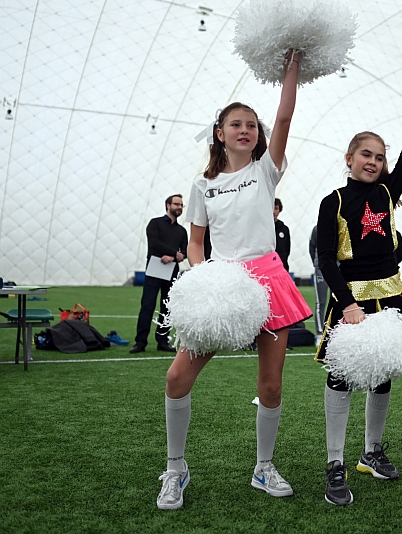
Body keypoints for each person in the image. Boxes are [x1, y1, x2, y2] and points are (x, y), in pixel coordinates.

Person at [155, 50, 311, 510]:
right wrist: (203, 282)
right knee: (177, 376)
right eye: (236, 124)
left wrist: (292, 65)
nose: (246, 130)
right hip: (221, 286)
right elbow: (197, 241)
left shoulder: (266, 170)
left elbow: (285, 115)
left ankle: (264, 468)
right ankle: (175, 468)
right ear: (220, 134)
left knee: (271, 385)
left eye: (252, 125)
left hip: (268, 280)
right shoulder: (202, 185)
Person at [315, 70, 402, 506]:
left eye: (379, 156)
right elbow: (325, 260)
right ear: (349, 158)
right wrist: (347, 303)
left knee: (383, 374)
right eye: (365, 154)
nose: (372, 161)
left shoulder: (389, 190)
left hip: (390, 295)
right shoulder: (332, 200)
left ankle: (371, 452)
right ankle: (335, 462)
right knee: (343, 376)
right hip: (351, 300)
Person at [130, 194, 188, 354]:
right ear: (167, 205)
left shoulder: (182, 231)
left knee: (167, 307)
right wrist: (173, 253)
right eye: (176, 204)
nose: (179, 207)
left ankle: (162, 340)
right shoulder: (155, 224)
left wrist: (173, 257)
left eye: (181, 205)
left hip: (172, 271)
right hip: (155, 270)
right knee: (147, 306)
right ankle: (140, 342)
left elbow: (185, 251)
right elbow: (154, 243)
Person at [308, 225, 328, 344]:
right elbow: (312, 247)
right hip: (321, 269)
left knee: (339, 301)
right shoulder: (317, 228)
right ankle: (320, 334)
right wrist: (317, 263)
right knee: (321, 302)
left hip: (338, 268)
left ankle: (336, 332)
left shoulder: (342, 224)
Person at [274, 198, 291, 271]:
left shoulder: (284, 229)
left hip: (282, 265)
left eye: (276, 208)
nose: (273, 212)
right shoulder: (263, 227)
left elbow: (287, 248)